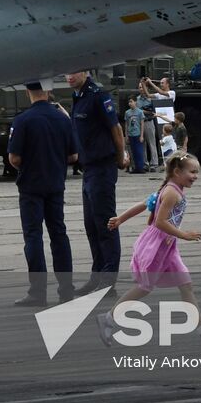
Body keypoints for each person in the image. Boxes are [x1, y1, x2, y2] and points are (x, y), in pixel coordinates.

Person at [96, 153, 201, 345]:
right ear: (178, 172)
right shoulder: (171, 192)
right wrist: (184, 235)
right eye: (193, 172)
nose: (196, 176)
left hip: (169, 247)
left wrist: (121, 218)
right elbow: (161, 222)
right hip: (158, 246)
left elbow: (145, 205)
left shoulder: (171, 188)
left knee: (186, 285)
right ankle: (109, 318)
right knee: (144, 287)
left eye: (197, 172)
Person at [7, 80, 79, 305]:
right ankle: (66, 289)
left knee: (33, 236)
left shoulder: (22, 120)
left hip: (31, 186)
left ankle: (38, 292)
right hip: (56, 184)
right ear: (48, 90)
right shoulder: (62, 119)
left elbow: (14, 158)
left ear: (28, 91)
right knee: (59, 234)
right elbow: (74, 156)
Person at [67, 70, 129, 296]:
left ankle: (109, 281)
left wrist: (121, 157)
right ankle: (98, 276)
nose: (69, 76)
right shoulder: (79, 96)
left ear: (86, 72)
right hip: (88, 169)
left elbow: (116, 128)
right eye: (67, 73)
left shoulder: (97, 96)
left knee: (106, 225)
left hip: (102, 167)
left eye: (74, 72)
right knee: (91, 226)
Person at [137, 88, 159, 171]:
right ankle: (145, 163)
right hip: (140, 123)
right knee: (142, 144)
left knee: (152, 143)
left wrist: (143, 111)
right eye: (139, 87)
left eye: (142, 87)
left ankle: (154, 163)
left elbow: (154, 112)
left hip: (149, 122)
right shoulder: (137, 99)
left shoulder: (151, 99)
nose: (141, 89)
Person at [123, 97, 146, 174]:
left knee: (139, 151)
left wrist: (142, 135)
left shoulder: (140, 112)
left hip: (138, 133)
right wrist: (126, 135)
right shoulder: (127, 112)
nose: (130, 103)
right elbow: (126, 124)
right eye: (129, 102)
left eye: (131, 101)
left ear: (135, 102)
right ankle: (135, 167)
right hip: (130, 134)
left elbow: (142, 124)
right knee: (132, 152)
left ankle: (140, 167)